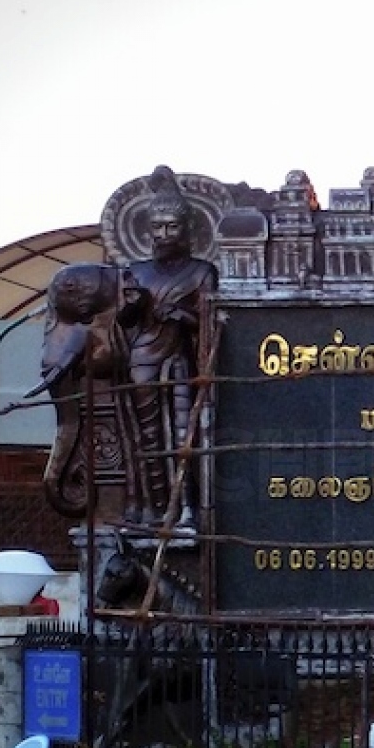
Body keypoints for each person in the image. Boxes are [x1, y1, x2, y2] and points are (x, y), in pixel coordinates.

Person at [119, 190, 218, 529]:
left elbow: (208, 322)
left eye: (171, 227)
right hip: (140, 361)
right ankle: (153, 505)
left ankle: (186, 505)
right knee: (147, 437)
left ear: (187, 229)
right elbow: (124, 320)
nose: (163, 236)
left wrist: (179, 314)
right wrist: (133, 305)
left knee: (182, 435)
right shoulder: (136, 271)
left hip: (179, 360)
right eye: (157, 228)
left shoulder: (201, 272)